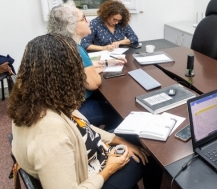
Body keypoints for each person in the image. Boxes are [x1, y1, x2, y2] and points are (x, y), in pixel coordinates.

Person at [8, 34, 163, 189]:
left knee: (137, 138)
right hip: (93, 178)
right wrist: (109, 169)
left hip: (90, 158)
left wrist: (119, 140)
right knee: (153, 154)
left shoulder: (37, 100)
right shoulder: (50, 137)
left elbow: (83, 126)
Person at [48, 0, 126, 130]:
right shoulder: (75, 49)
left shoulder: (57, 43)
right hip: (74, 110)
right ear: (71, 25)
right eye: (83, 18)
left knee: (107, 101)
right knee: (119, 113)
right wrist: (99, 69)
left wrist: (106, 63)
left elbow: (81, 70)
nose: (88, 20)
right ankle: (101, 143)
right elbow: (94, 83)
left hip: (57, 108)